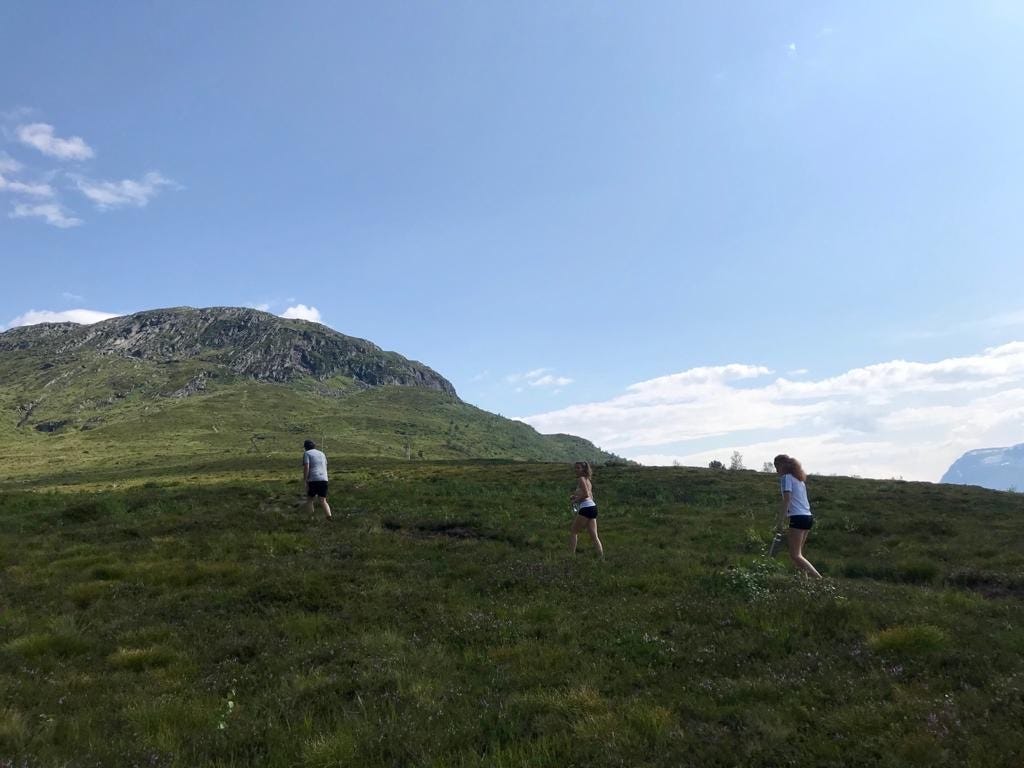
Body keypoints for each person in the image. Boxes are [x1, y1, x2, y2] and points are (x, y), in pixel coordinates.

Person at [773, 454, 821, 578]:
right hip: (807, 517)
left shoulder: (786, 478)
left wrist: (780, 522)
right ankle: (804, 583)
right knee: (798, 555)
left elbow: (787, 500)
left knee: (795, 555)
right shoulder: (799, 480)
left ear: (783, 465)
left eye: (777, 466)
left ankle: (819, 579)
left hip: (798, 518)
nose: (776, 470)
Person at [569, 461, 603, 557]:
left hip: (586, 508)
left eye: (578, 468)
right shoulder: (588, 481)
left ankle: (571, 556)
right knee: (594, 535)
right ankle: (601, 557)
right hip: (592, 507)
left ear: (583, 469)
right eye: (575, 468)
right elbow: (589, 496)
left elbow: (586, 495)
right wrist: (575, 497)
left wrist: (575, 501)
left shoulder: (581, 479)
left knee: (573, 532)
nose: (576, 470)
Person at [302, 439, 332, 520]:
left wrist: (305, 479)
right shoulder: (322, 453)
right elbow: (325, 465)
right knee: (323, 500)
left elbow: (306, 467)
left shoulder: (307, 453)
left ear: (305, 447)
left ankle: (311, 518)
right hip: (324, 479)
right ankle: (329, 517)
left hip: (313, 479)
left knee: (310, 499)